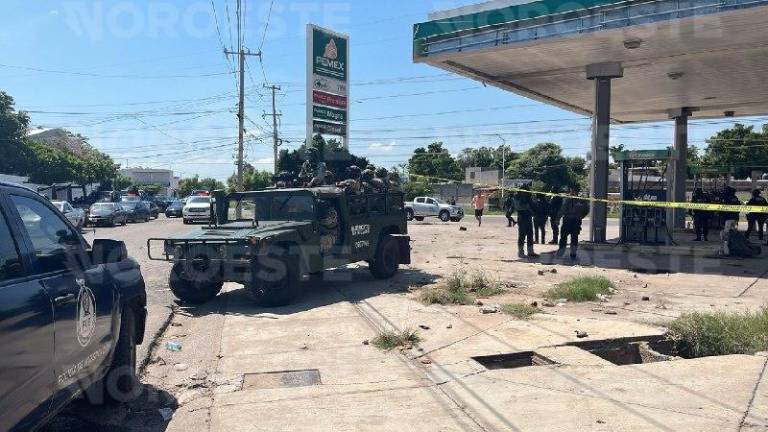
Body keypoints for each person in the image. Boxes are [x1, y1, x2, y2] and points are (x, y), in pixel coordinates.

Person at [556, 185, 590, 260]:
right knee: (564, 237)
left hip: (575, 221)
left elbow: (587, 210)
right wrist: (558, 218)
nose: (572, 192)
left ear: (577, 191)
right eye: (572, 190)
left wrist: (581, 216)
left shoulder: (581, 200)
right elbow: (563, 210)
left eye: (574, 190)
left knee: (574, 237)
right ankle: (561, 252)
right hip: (568, 220)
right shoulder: (569, 199)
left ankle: (573, 253)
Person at [513, 186, 538, 259]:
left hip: (525, 217)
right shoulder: (521, 198)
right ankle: (524, 252)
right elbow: (532, 207)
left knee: (527, 235)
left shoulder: (518, 197)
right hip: (524, 217)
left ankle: (527, 252)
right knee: (524, 235)